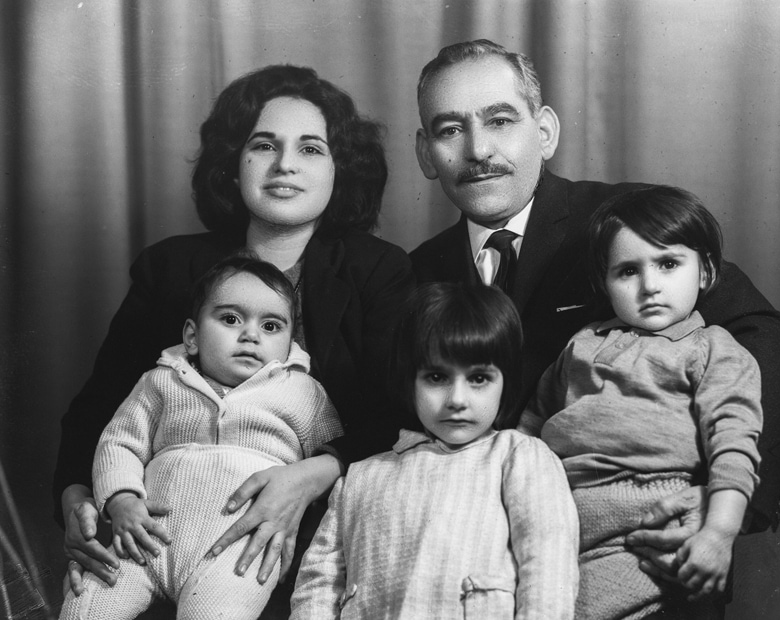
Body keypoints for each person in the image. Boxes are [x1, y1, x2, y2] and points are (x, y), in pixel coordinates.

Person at [409, 39, 780, 600]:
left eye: (499, 120)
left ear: (544, 131)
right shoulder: (418, 273)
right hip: (504, 559)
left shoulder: (623, 224)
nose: (477, 149)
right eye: (450, 130)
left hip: (657, 548)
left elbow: (766, 335)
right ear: (425, 154)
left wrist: (724, 509)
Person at [53, 65, 415, 616]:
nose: (285, 165)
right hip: (157, 528)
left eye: (311, 149)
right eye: (263, 145)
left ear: (341, 170)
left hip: (306, 539)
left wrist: (311, 475)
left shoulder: (379, 271)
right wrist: (78, 497)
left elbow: (391, 417)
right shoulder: (170, 268)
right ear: (233, 163)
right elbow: (100, 410)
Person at [59, 255, 343, 619]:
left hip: (237, 549)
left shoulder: (303, 392)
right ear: (192, 337)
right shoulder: (160, 382)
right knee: (87, 603)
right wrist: (121, 499)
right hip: (143, 537)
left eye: (271, 326)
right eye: (230, 319)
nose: (251, 335)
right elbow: (119, 443)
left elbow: (335, 471)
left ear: (290, 343)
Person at [529, 187, 762, 618]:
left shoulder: (712, 349)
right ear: (604, 283)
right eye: (628, 271)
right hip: (564, 518)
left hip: (652, 517)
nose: (650, 285)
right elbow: (530, 429)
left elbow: (734, 442)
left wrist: (719, 532)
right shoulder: (581, 344)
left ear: (705, 271)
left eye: (669, 264)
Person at [290, 282, 579, 619]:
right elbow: (318, 585)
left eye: (479, 379)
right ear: (409, 380)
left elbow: (548, 568)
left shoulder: (520, 457)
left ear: (506, 383)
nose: (457, 399)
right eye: (437, 377)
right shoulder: (362, 475)